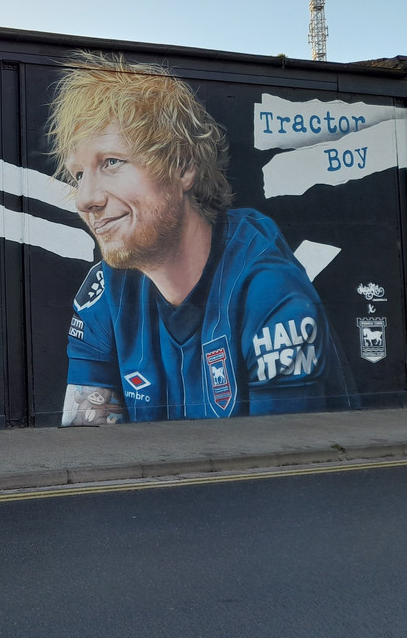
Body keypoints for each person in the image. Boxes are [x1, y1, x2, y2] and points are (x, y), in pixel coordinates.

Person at [48, 53, 356, 424]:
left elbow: (280, 464)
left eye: (111, 162)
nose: (86, 199)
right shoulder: (104, 294)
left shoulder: (269, 291)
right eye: (78, 174)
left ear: (183, 166)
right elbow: (90, 456)